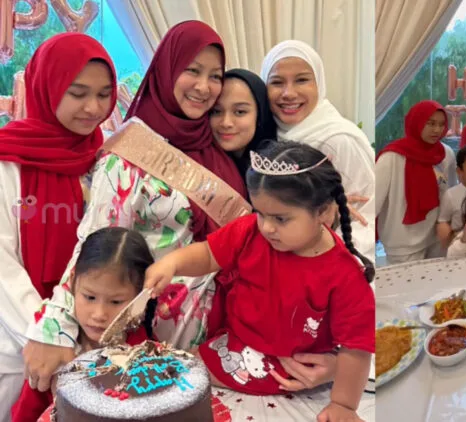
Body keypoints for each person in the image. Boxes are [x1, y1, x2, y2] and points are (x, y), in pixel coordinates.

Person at [23, 22, 337, 398]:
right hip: (163, 340)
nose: (204, 86)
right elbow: (93, 247)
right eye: (192, 70)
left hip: (239, 331)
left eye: (215, 75)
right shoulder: (128, 156)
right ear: (167, 69)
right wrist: (52, 329)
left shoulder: (217, 143)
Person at [144, 141, 375, 422]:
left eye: (281, 218)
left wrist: (343, 405)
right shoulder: (250, 231)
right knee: (172, 373)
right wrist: (172, 262)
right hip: (234, 343)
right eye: (260, 213)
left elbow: (356, 348)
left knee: (179, 379)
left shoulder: (345, 276)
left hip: (291, 367)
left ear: (323, 212)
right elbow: (208, 255)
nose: (267, 227)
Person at [0, 33, 117, 419]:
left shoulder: (108, 157)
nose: (93, 108)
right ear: (46, 88)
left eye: (104, 94)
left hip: (92, 333)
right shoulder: (7, 160)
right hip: (19, 341)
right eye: (77, 93)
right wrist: (49, 330)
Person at [11, 228, 156, 422]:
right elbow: (25, 413)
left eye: (116, 302)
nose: (99, 314)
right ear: (72, 283)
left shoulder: (147, 356)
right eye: (89, 297)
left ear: (139, 299)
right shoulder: (52, 351)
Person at [259, 40, 375, 263]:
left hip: (327, 265)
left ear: (319, 84)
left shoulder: (338, 139)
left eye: (302, 80)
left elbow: (365, 218)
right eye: (277, 82)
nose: (289, 93)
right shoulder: (265, 135)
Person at [376, 100, 457, 265]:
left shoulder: (445, 153)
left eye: (441, 124)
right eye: (430, 123)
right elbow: (374, 201)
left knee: (437, 279)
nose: (437, 130)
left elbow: (450, 192)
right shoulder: (392, 157)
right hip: (402, 241)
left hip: (436, 236)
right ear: (416, 122)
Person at [210, 68, 277, 177]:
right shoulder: (203, 161)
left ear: (260, 115)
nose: (226, 123)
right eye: (216, 111)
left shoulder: (276, 168)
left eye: (240, 112)